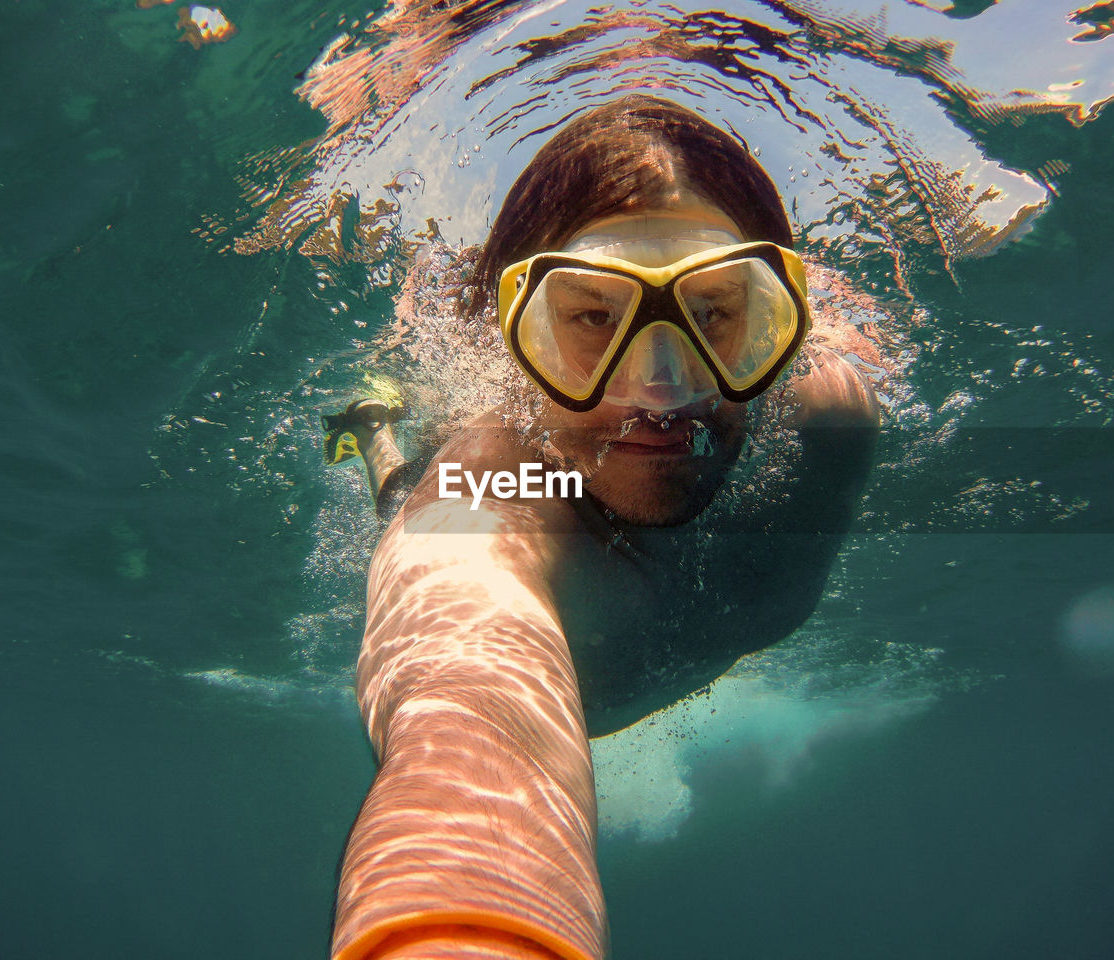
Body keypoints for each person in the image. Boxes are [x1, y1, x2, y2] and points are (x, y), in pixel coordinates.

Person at [327, 95, 879, 960]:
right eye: (592, 318)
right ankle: (375, 429)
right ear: (514, 340)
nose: (661, 392)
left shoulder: (832, 427)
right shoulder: (485, 509)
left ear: (778, 322)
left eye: (715, 314)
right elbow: (470, 697)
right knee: (398, 490)